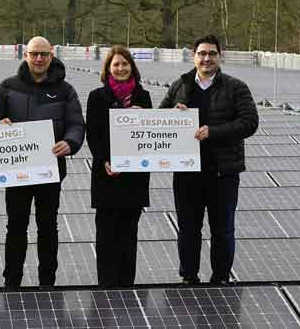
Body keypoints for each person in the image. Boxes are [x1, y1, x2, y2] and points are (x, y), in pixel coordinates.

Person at [159, 34, 258, 284]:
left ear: (219, 56)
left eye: (212, 53)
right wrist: (172, 114)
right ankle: (188, 276)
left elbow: (249, 123)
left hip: (222, 172)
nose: (207, 58)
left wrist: (213, 132)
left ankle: (221, 277)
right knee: (188, 230)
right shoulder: (180, 85)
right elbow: (158, 118)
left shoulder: (236, 87)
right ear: (194, 56)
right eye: (202, 53)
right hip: (186, 173)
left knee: (223, 230)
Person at [0, 36, 85, 289]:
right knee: (16, 227)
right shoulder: (7, 87)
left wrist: (70, 142)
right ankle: (12, 281)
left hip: (50, 170)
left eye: (44, 54)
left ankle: (47, 282)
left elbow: (77, 124)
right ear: (25, 55)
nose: (39, 59)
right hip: (16, 171)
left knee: (48, 228)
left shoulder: (65, 90)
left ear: (51, 56)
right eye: (34, 54)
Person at [85, 46, 152, 288]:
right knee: (106, 235)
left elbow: (150, 136)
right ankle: (107, 285)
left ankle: (126, 285)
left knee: (128, 235)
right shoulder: (97, 97)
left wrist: (142, 116)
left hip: (134, 178)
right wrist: (105, 160)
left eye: (125, 64)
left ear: (132, 67)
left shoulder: (142, 97)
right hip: (106, 175)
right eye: (116, 64)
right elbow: (92, 134)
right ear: (108, 69)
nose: (121, 68)